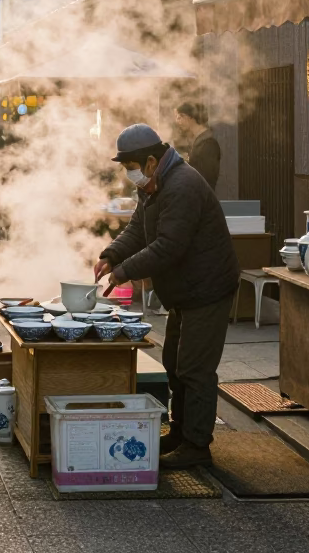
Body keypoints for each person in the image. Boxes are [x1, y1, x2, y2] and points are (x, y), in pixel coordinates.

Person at [93, 124, 240, 469]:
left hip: (208, 288)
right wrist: (111, 255)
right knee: (174, 363)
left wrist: (124, 271)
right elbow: (137, 230)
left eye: (129, 167)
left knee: (195, 368)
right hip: (185, 291)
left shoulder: (182, 185)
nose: (128, 174)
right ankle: (180, 431)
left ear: (148, 161)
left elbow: (168, 246)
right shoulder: (155, 185)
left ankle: (197, 445)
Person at [175, 102, 222, 191]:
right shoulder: (199, 141)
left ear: (191, 117)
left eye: (180, 116)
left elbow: (205, 178)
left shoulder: (208, 144)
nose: (178, 121)